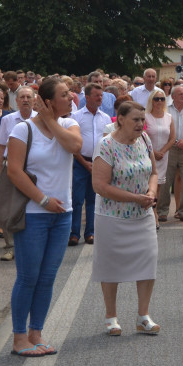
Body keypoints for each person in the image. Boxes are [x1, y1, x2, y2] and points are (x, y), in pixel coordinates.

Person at [5, 77, 81, 356]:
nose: (71, 98)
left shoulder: (69, 125)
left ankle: (36, 333)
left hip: (63, 215)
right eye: (64, 94)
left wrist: (50, 121)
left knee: (48, 277)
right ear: (48, 102)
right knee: (28, 277)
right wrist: (43, 199)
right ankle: (18, 338)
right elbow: (14, 172)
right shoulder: (22, 130)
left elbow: (75, 147)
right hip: (33, 213)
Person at [92, 100, 161, 335]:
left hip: (142, 216)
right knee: (111, 266)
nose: (141, 124)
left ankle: (143, 316)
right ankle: (111, 316)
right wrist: (134, 198)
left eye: (143, 120)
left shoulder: (145, 140)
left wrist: (151, 192)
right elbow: (100, 186)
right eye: (136, 120)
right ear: (121, 119)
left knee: (147, 263)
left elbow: (153, 172)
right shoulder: (106, 145)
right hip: (112, 217)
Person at [69, 83, 112, 246]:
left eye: (101, 95)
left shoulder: (105, 118)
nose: (100, 98)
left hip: (99, 163)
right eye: (96, 95)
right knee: (78, 199)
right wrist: (84, 162)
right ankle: (74, 233)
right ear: (87, 97)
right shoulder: (76, 117)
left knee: (93, 199)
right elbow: (73, 144)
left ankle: (90, 233)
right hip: (80, 162)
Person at [162, 85, 183, 222]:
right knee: (166, 180)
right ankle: (162, 210)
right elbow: (163, 128)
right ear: (173, 96)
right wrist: (175, 141)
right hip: (170, 148)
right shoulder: (165, 110)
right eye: (180, 94)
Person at [144, 88, 175, 223]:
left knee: (160, 185)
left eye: (162, 99)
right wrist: (153, 153)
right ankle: (152, 213)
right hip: (148, 155)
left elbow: (173, 137)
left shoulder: (169, 117)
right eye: (157, 99)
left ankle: (154, 211)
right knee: (148, 184)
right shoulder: (145, 116)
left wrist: (163, 151)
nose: (159, 102)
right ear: (152, 101)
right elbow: (142, 136)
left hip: (163, 155)